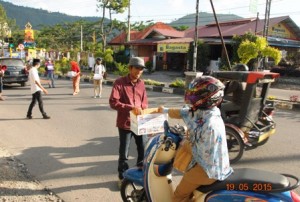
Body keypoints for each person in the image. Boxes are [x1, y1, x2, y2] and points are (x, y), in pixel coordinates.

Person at [158, 76, 233, 202]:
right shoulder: (207, 111)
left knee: (178, 195)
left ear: (206, 98)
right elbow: (184, 112)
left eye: (195, 94)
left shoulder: (210, 125)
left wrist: (184, 143)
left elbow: (203, 153)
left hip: (207, 170)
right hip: (213, 165)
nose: (191, 97)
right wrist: (164, 110)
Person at [109, 57, 148, 186]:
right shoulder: (119, 83)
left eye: (141, 69)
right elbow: (113, 102)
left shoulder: (141, 84)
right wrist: (131, 108)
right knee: (124, 153)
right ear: (130, 68)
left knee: (143, 150)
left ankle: (139, 174)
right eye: (137, 68)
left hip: (140, 123)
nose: (139, 71)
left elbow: (144, 102)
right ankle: (122, 177)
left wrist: (145, 111)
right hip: (125, 123)